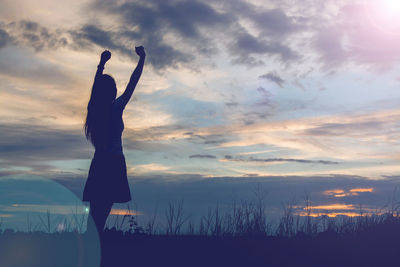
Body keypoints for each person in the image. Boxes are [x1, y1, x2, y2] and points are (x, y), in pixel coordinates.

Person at [83, 46, 146, 237]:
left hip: (99, 163)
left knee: (95, 216)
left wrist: (101, 65)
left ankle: (89, 252)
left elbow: (95, 90)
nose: (117, 89)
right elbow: (132, 84)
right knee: (99, 217)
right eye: (114, 87)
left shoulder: (94, 109)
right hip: (113, 164)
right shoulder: (115, 108)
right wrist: (142, 59)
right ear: (109, 92)